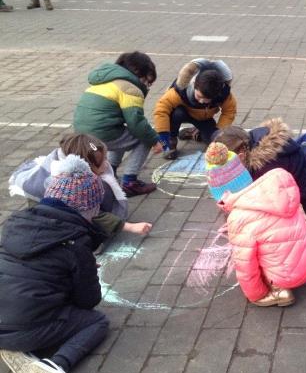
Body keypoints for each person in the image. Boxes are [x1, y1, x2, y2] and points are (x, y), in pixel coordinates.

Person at [0, 155, 109, 373]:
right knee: (97, 322)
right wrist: (84, 270)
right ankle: (56, 364)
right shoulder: (76, 241)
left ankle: (17, 346)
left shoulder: (16, 222)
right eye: (94, 211)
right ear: (86, 209)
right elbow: (88, 301)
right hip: (26, 324)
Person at [205, 143, 306, 307]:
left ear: (222, 195)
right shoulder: (275, 186)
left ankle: (279, 292)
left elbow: (245, 265)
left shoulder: (238, 218)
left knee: (254, 256)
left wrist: (256, 295)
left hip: (291, 274)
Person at [9, 133, 152, 237]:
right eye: (102, 162)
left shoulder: (69, 167)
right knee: (103, 190)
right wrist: (129, 227)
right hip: (55, 228)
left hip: (53, 219)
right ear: (84, 166)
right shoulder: (68, 187)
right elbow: (94, 215)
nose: (106, 165)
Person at [73, 51, 163, 197]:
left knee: (121, 133)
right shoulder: (129, 88)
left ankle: (111, 173)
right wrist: (154, 140)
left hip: (82, 132)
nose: (147, 86)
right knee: (143, 138)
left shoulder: (105, 80)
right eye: (147, 81)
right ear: (138, 73)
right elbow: (136, 123)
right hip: (101, 132)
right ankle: (129, 183)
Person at [214, 119, 306, 220]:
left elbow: (260, 202)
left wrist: (235, 215)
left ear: (241, 156)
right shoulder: (249, 139)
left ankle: (301, 216)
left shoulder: (264, 167)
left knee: (264, 222)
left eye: (228, 163)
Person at [153, 58, 237, 160]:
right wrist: (163, 137)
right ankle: (171, 141)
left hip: (204, 118)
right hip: (183, 113)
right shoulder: (180, 90)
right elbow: (161, 109)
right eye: (199, 96)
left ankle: (194, 133)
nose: (202, 101)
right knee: (176, 113)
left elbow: (229, 111)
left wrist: (220, 132)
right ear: (194, 85)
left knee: (214, 141)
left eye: (207, 99)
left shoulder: (223, 93)